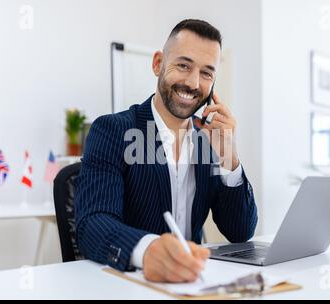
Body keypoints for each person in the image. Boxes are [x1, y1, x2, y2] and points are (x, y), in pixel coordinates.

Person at [75, 19, 257, 283]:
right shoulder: (113, 130)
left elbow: (240, 231)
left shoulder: (207, 141)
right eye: (183, 65)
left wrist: (229, 158)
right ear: (158, 63)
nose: (194, 83)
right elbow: (92, 223)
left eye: (206, 73)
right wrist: (147, 250)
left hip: (193, 285)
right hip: (130, 284)